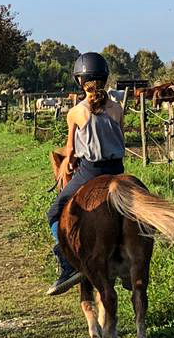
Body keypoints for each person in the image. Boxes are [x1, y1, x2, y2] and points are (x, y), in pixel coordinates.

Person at [45, 51, 127, 295]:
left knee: (55, 212)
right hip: (117, 170)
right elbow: (121, 137)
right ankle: (127, 260)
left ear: (79, 81)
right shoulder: (118, 109)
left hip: (91, 171)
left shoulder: (75, 112)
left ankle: (68, 262)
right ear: (105, 78)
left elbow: (70, 150)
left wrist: (67, 165)